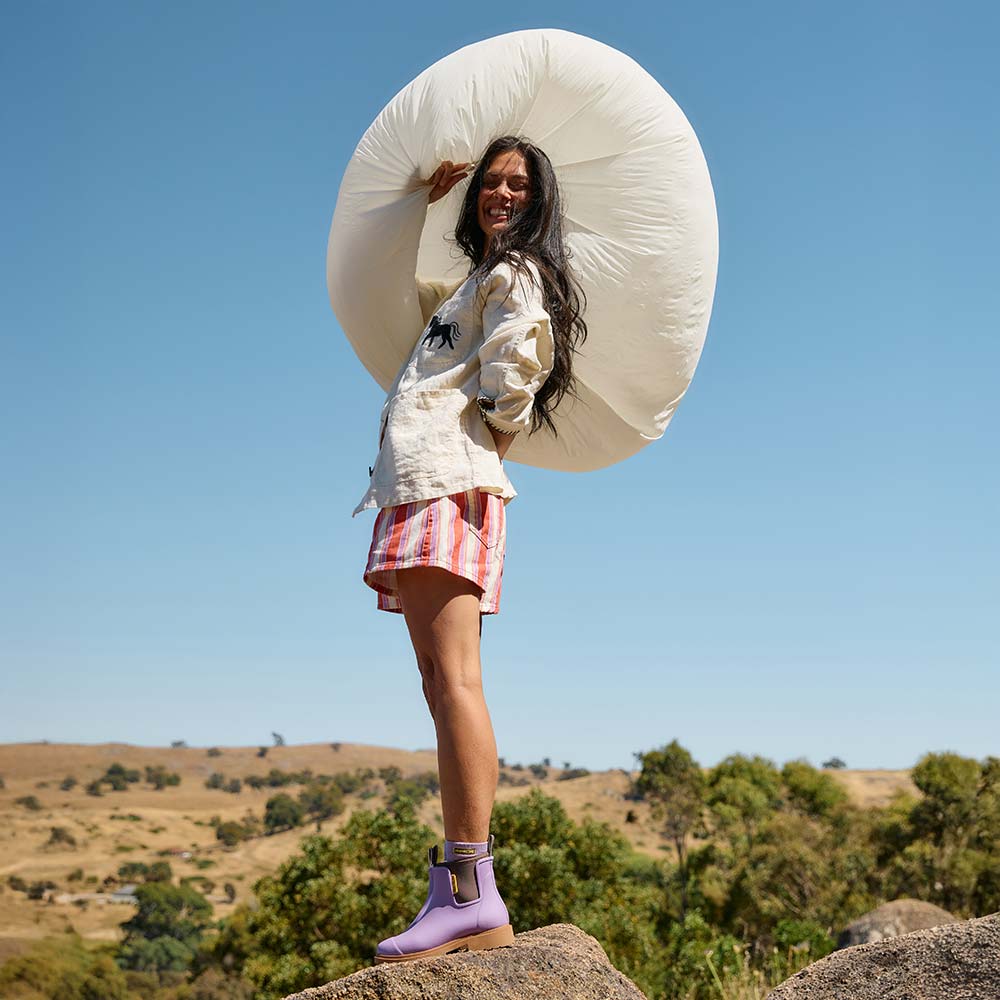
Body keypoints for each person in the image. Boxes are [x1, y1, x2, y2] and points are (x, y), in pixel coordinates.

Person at [359, 136, 587, 963]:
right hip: (422, 482)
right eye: (491, 182)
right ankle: (467, 897)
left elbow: (513, 373)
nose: (501, 193)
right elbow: (381, 287)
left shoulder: (514, 274)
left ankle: (469, 889)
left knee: (453, 679)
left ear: (540, 200)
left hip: (446, 481)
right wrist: (414, 201)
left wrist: (489, 436)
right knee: (439, 679)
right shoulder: (468, 283)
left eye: (518, 184)